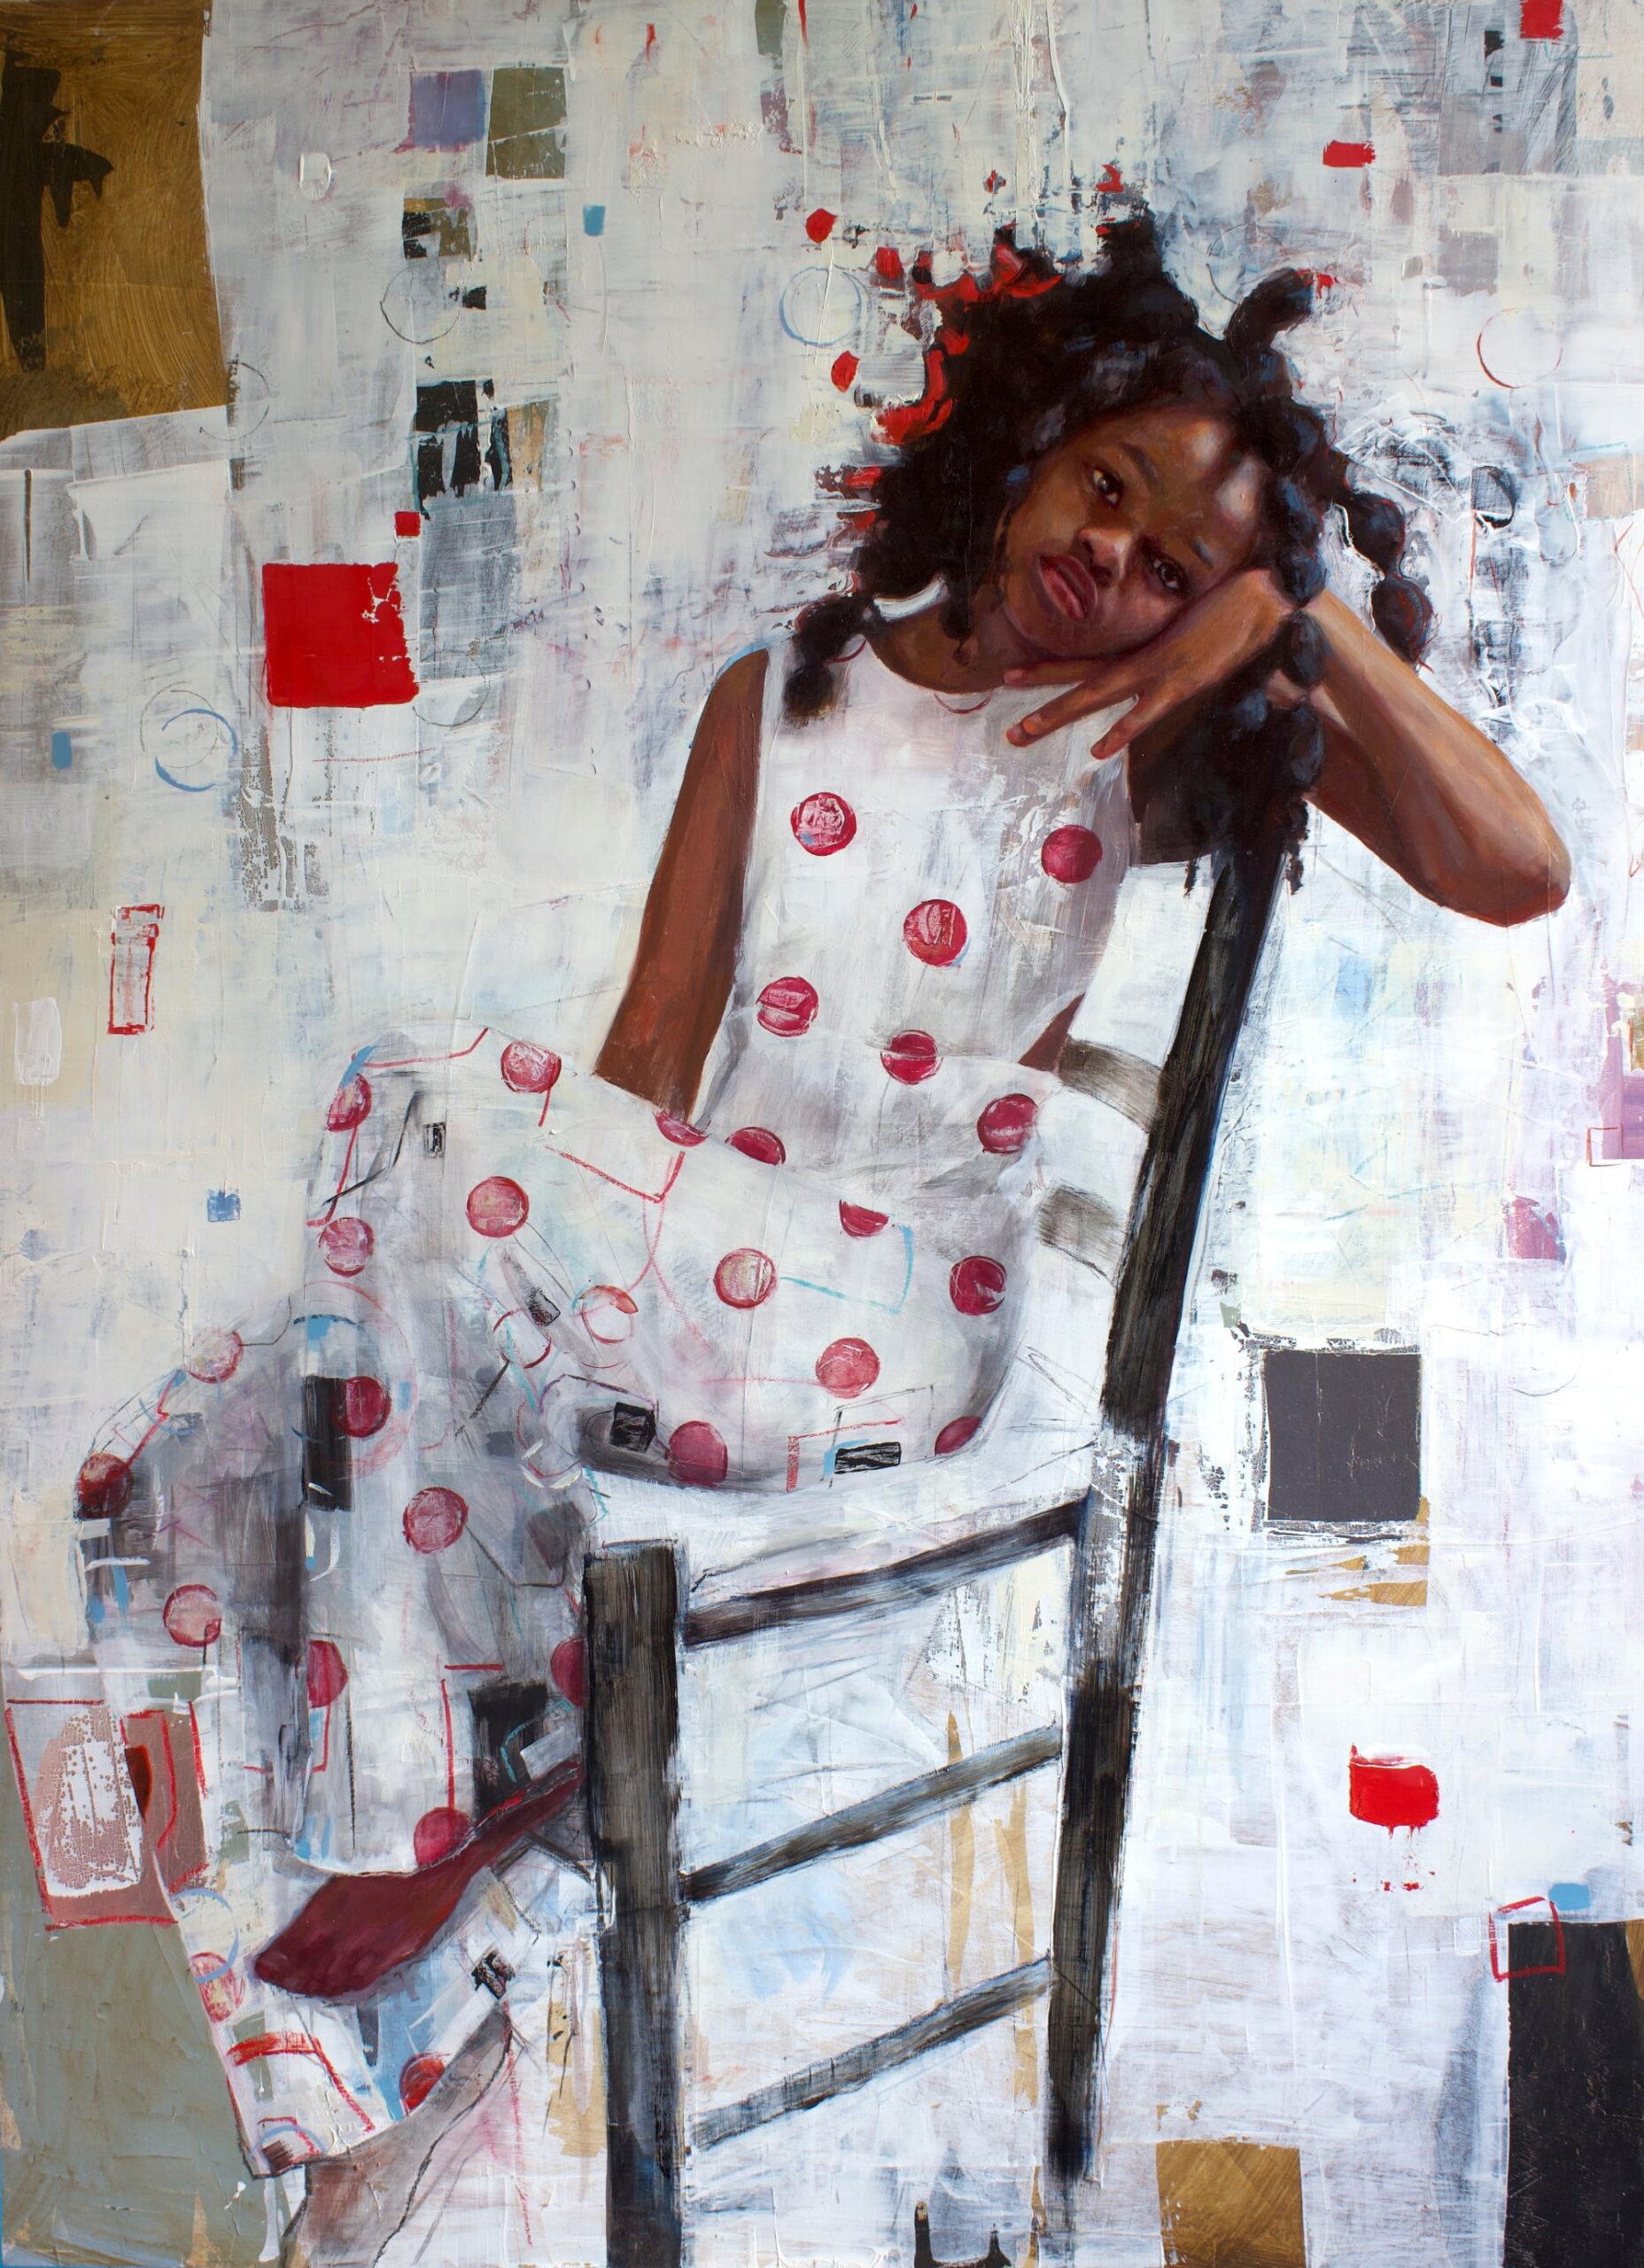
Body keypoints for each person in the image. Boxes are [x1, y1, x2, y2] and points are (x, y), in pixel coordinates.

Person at [66, 212, 1567, 2260]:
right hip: (702, 1298)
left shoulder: (1135, 745)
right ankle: (360, 2053)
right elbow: (638, 1086)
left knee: (413, 1092)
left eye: (1171, 565)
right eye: (1102, 488)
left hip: (897, 1315)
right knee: (200, 1452)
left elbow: (1517, 864)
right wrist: (507, 1346)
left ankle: (439, 1812)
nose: (1112, 562)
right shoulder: (778, 693)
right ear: (1024, 443)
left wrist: (1296, 619)